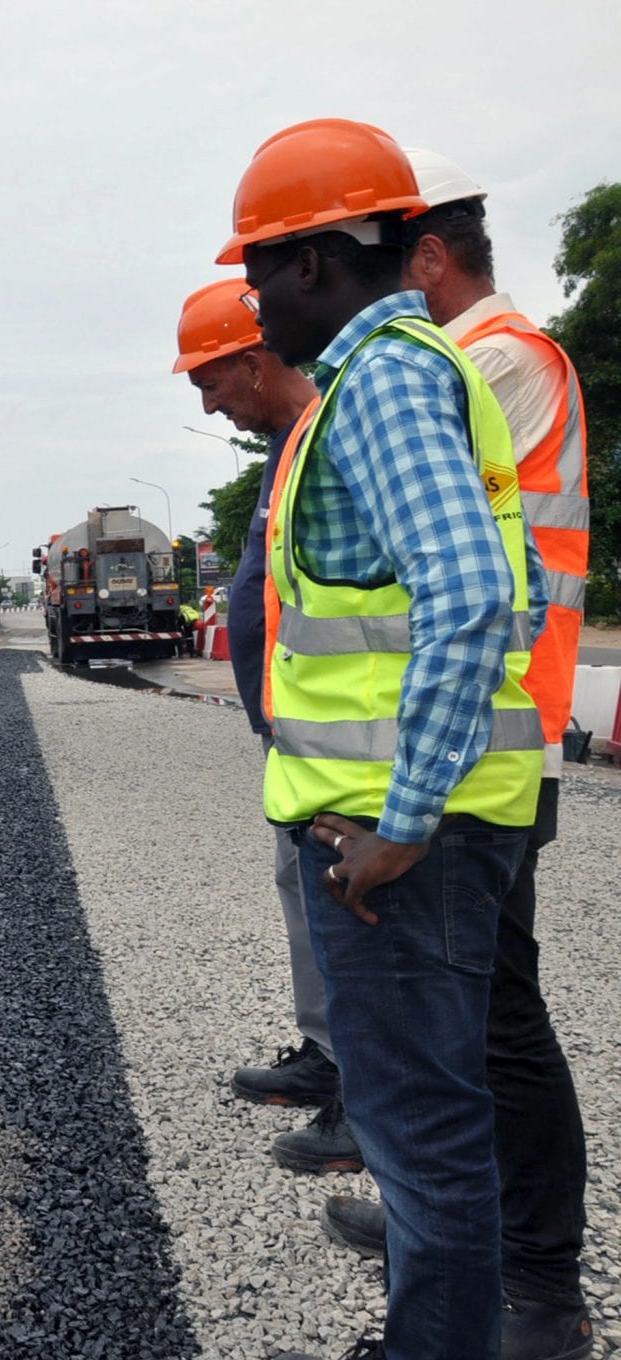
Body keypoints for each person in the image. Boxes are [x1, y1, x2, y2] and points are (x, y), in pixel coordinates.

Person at [219, 118, 546, 1360]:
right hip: (422, 822)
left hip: (405, 841)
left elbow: (466, 594)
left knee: (420, 1131)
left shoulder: (384, 382)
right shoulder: (396, 376)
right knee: (427, 1123)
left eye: (257, 271)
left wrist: (401, 825)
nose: (251, 303)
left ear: (312, 263)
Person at [314, 148, 595, 1360]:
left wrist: (413, 804)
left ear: (425, 258)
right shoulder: (456, 363)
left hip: (484, 737)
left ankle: (539, 1287)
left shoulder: (479, 361)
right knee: (464, 1025)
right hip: (472, 726)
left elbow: (471, 583)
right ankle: (455, 1235)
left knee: (493, 1023)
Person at [173, 279, 360, 1170]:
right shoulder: (287, 449)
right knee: (305, 897)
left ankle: (372, 1103)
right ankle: (331, 1061)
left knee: (352, 920)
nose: (211, 404)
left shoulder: (329, 433)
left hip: (346, 745)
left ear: (252, 359)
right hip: (299, 739)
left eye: (211, 383)